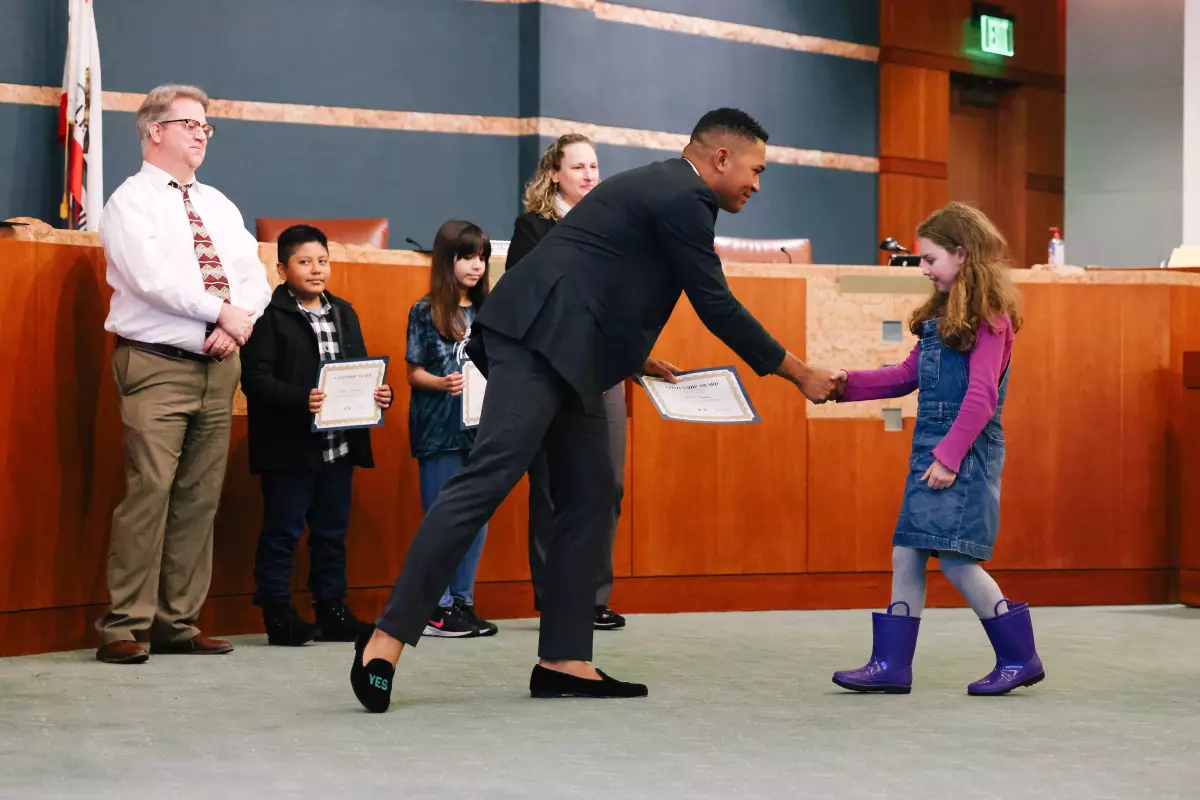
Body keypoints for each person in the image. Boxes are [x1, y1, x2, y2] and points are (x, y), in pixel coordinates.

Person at [350, 108, 840, 713]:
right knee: (486, 481)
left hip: (578, 354)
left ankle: (563, 657)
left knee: (591, 491)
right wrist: (799, 372)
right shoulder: (684, 195)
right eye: (755, 170)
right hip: (534, 342)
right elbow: (716, 304)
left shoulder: (663, 186)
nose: (757, 184)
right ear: (720, 159)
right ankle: (386, 639)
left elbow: (600, 277)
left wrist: (637, 358)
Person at [828, 202, 1044, 697]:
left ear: (963, 255)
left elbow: (982, 395)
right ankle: (891, 665)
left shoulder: (991, 317)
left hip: (963, 450)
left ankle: (1019, 656)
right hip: (934, 446)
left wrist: (949, 457)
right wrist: (846, 384)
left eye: (930, 259)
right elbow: (906, 376)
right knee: (908, 551)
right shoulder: (942, 315)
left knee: (956, 560)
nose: (922, 269)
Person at [95, 84, 272, 664]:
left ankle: (179, 622)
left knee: (200, 499)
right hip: (156, 365)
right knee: (149, 492)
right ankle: (124, 625)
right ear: (154, 131)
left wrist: (237, 320)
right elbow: (150, 278)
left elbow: (252, 275)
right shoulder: (130, 202)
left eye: (207, 126)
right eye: (190, 123)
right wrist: (217, 311)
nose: (201, 133)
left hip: (219, 365)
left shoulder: (218, 204)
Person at [239, 225, 392, 646]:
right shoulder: (266, 316)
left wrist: (380, 391)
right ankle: (278, 613)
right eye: (304, 262)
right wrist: (299, 398)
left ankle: (332, 608)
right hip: (290, 447)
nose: (316, 270)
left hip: (338, 446)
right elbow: (254, 380)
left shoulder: (344, 312)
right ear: (282, 268)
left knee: (331, 532)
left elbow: (360, 368)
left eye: (322, 261)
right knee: (283, 531)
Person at [507, 134, 632, 631]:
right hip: (552, 374)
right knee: (554, 487)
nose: (588, 175)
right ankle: (557, 596)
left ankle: (594, 596)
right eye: (577, 166)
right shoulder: (533, 227)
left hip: (605, 369)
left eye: (594, 166)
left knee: (608, 484)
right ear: (554, 173)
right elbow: (531, 295)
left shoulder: (615, 228)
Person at [406, 220, 499, 639]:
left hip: (481, 431)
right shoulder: (425, 311)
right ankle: (435, 607)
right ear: (447, 261)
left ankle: (462, 601)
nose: (476, 266)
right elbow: (414, 373)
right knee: (442, 518)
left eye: (481, 257)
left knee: (476, 518)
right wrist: (442, 383)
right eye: (466, 257)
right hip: (439, 428)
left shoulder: (491, 310)